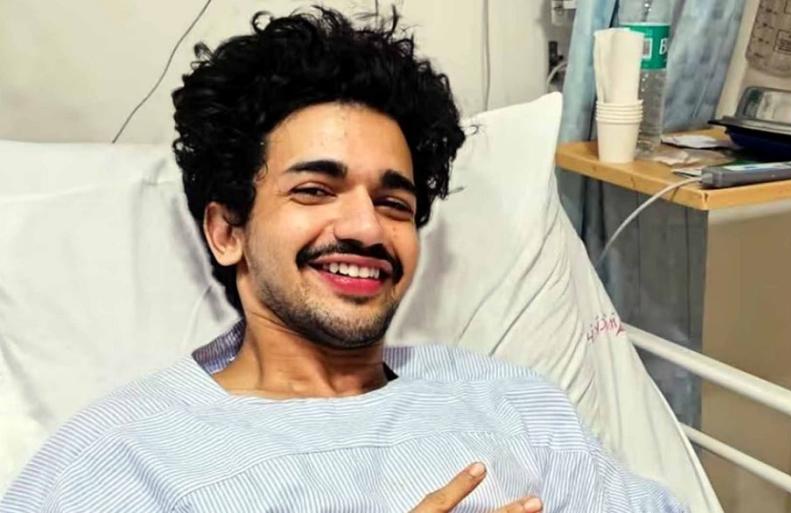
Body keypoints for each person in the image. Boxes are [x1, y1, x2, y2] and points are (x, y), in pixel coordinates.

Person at [0, 7, 686, 513]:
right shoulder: (117, 460)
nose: (365, 226)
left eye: (393, 202)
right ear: (228, 230)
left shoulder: (511, 403)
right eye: (315, 190)